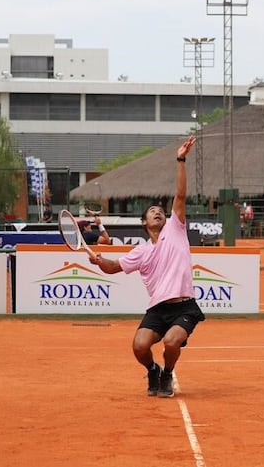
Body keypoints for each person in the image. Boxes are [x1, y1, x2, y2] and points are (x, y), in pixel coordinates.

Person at [89, 135, 204, 398]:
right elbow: (113, 267)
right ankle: (152, 369)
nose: (158, 212)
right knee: (139, 346)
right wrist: (98, 261)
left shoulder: (175, 229)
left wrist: (181, 159)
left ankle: (167, 372)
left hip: (184, 305)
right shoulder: (140, 252)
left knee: (172, 341)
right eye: (152, 211)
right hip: (157, 308)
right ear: (144, 223)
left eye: (160, 210)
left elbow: (181, 194)